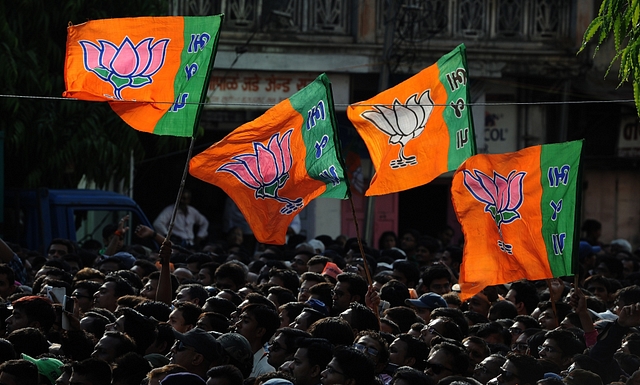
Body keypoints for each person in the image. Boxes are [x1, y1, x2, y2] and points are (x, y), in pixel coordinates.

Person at [234, 304, 279, 377]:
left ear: (260, 331)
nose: (237, 324)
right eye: (240, 319)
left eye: (246, 321)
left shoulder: (265, 371)